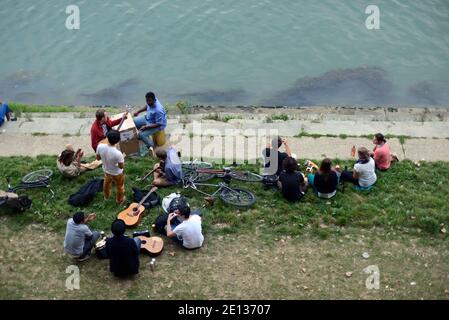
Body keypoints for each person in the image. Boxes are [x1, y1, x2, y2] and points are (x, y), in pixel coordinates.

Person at [96, 130, 126, 204]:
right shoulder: (118, 154)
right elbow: (121, 167)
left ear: (107, 138)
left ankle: (106, 196)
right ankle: (119, 200)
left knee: (106, 183)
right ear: (118, 141)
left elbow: (98, 158)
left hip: (106, 170)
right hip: (117, 173)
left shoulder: (100, 146)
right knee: (120, 186)